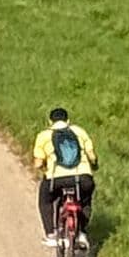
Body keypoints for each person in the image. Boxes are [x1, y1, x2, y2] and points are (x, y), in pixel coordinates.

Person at [32, 105, 97, 246]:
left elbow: (37, 164)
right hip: (82, 177)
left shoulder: (43, 136)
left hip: (55, 179)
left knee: (45, 201)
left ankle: (51, 235)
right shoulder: (79, 132)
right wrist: (94, 165)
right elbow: (92, 156)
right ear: (68, 120)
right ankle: (81, 233)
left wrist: (45, 168)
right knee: (85, 201)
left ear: (50, 122)